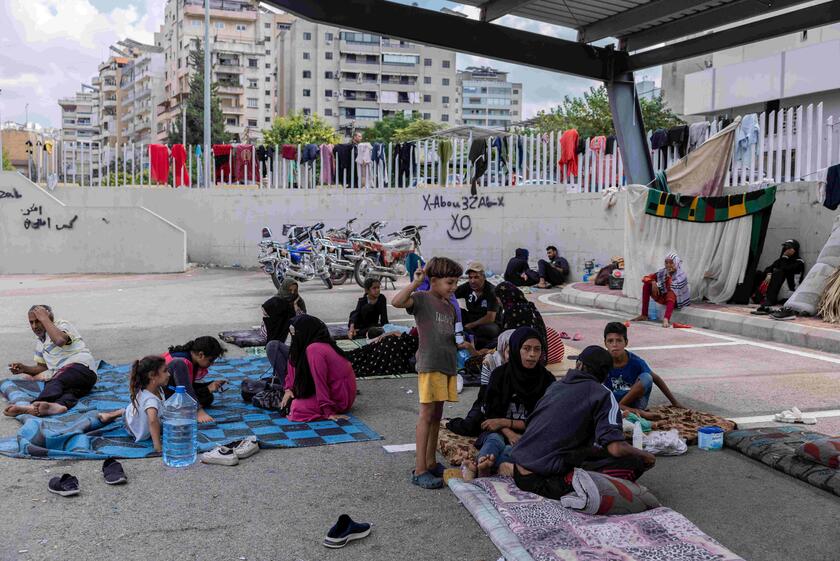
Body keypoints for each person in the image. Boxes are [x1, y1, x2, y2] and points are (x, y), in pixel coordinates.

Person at [506, 346, 656, 500]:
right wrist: (645, 455)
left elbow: (532, 423)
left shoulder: (555, 386)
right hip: (546, 481)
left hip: (521, 474)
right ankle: (577, 483)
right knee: (634, 461)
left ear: (579, 364)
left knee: (593, 449)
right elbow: (616, 448)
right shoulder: (603, 394)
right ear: (605, 374)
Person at [392, 256, 464, 490]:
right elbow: (397, 301)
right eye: (450, 282)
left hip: (446, 365)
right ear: (433, 281)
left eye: (456, 282)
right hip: (430, 365)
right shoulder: (422, 299)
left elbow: (450, 336)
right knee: (426, 415)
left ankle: (431, 462)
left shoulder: (449, 305)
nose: (454, 287)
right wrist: (415, 283)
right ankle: (420, 469)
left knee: (436, 416)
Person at [462, 327, 554, 479]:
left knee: (519, 448)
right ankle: (485, 464)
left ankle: (484, 466)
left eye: (537, 349)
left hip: (531, 434)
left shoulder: (547, 380)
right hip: (500, 431)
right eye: (526, 348)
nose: (532, 354)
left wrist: (505, 422)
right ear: (516, 349)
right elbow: (491, 416)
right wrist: (508, 432)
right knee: (494, 440)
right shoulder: (500, 375)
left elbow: (543, 420)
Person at [5, 305, 98, 417]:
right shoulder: (41, 342)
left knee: (56, 381)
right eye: (31, 322)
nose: (34, 326)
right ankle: (59, 406)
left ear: (49, 317)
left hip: (82, 368)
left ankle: (35, 406)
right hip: (79, 383)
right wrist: (24, 369)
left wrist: (45, 318)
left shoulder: (61, 325)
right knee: (66, 392)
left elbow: (60, 340)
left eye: (38, 321)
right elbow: (42, 367)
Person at [279, 315, 357, 422]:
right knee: (285, 399)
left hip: (339, 397)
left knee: (296, 408)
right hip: (322, 390)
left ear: (306, 331)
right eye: (291, 332)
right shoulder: (303, 346)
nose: (293, 335)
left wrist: (328, 412)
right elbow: (291, 368)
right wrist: (288, 390)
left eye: (295, 332)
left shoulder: (315, 349)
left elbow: (320, 381)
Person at [446, 329, 515, 437]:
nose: (515, 356)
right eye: (510, 352)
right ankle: (447, 422)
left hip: (515, 406)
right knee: (471, 426)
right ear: (502, 350)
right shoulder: (491, 362)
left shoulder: (528, 364)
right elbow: (486, 397)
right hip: (490, 403)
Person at [603, 322, 681, 416]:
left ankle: (620, 407)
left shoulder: (636, 361)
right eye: (610, 341)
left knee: (647, 377)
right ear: (605, 343)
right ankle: (622, 409)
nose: (614, 345)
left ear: (626, 342)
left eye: (619, 340)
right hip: (611, 401)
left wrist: (675, 402)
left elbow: (656, 379)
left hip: (634, 403)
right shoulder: (601, 361)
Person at [97, 355, 169, 452]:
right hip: (132, 425)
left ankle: (117, 413)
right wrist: (158, 447)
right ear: (152, 375)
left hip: (137, 413)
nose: (169, 374)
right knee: (127, 412)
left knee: (132, 410)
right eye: (165, 371)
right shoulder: (151, 402)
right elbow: (152, 421)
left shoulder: (157, 388)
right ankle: (113, 414)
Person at [163, 336, 228, 424]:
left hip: (172, 390)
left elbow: (187, 384)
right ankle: (193, 409)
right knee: (204, 396)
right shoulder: (180, 362)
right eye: (211, 360)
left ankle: (189, 407)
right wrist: (198, 410)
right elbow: (185, 390)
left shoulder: (192, 360)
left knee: (208, 397)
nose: (212, 364)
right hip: (162, 397)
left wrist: (210, 385)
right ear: (201, 355)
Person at [263, 278, 306, 387]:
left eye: (294, 290)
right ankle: (286, 384)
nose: (292, 293)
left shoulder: (299, 302)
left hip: (295, 344)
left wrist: (295, 307)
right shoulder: (275, 302)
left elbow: (304, 322)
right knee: (273, 348)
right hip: (280, 340)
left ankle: (289, 384)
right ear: (284, 289)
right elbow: (266, 326)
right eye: (290, 290)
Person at [632, 252, 690, 328]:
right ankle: (644, 315)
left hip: (677, 301)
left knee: (671, 292)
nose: (668, 265)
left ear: (676, 263)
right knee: (647, 285)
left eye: (671, 263)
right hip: (665, 297)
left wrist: (669, 276)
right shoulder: (663, 272)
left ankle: (666, 319)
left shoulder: (681, 275)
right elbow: (645, 278)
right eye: (666, 262)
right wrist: (653, 282)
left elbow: (671, 288)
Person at [495, 282, 548, 360]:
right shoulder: (528, 306)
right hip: (540, 354)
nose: (497, 301)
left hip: (526, 355)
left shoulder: (512, 311)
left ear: (503, 296)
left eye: (497, 297)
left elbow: (506, 339)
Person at [752, 239, 806, 315]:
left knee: (778, 272)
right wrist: (769, 274)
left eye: (788, 248)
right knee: (759, 273)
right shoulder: (782, 260)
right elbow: (768, 269)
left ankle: (770, 300)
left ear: (795, 250)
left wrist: (784, 257)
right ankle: (756, 296)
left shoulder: (799, 262)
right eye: (785, 247)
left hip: (789, 292)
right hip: (777, 290)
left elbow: (785, 269)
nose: (786, 249)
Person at [454, 261, 500, 349]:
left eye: (476, 277)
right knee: (456, 311)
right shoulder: (467, 287)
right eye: (470, 277)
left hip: (488, 323)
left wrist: (471, 325)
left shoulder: (491, 291)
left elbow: (490, 317)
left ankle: (472, 340)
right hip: (471, 318)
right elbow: (451, 294)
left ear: (483, 277)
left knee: (490, 330)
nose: (472, 281)